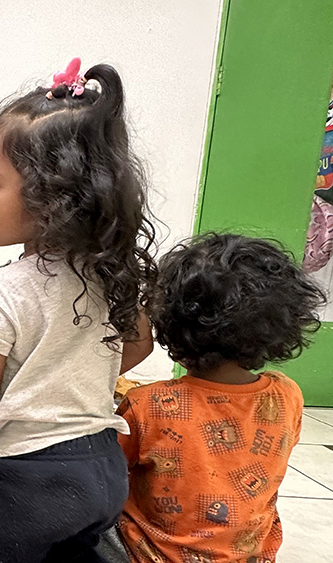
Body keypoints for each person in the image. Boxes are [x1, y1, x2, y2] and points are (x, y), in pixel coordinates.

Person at [0, 58, 158, 562]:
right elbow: (140, 343)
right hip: (103, 468)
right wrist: (71, 373)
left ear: (51, 199)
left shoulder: (5, 291)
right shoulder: (109, 272)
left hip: (29, 483)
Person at [109, 234, 325, 563]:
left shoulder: (145, 405)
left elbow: (108, 473)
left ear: (170, 326)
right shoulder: (287, 395)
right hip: (249, 555)